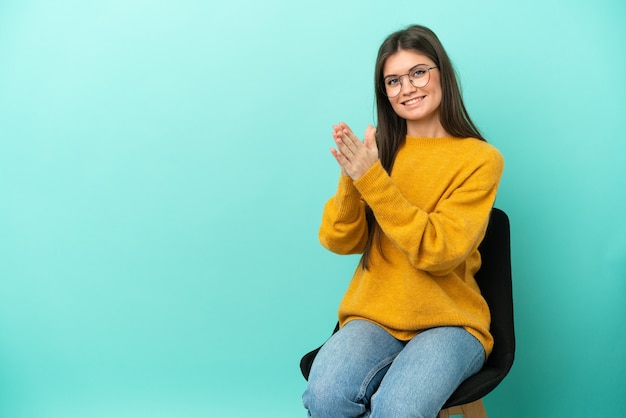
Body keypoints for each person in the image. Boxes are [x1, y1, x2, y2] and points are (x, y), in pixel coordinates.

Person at [302, 24, 504, 417]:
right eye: (393, 81)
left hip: (450, 323)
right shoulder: (379, 155)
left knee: (399, 408)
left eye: (418, 72)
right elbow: (339, 240)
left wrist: (371, 180)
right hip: (374, 315)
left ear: (441, 73)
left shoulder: (480, 160)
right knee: (324, 397)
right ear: (385, 93)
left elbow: (439, 251)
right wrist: (352, 176)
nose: (406, 88)